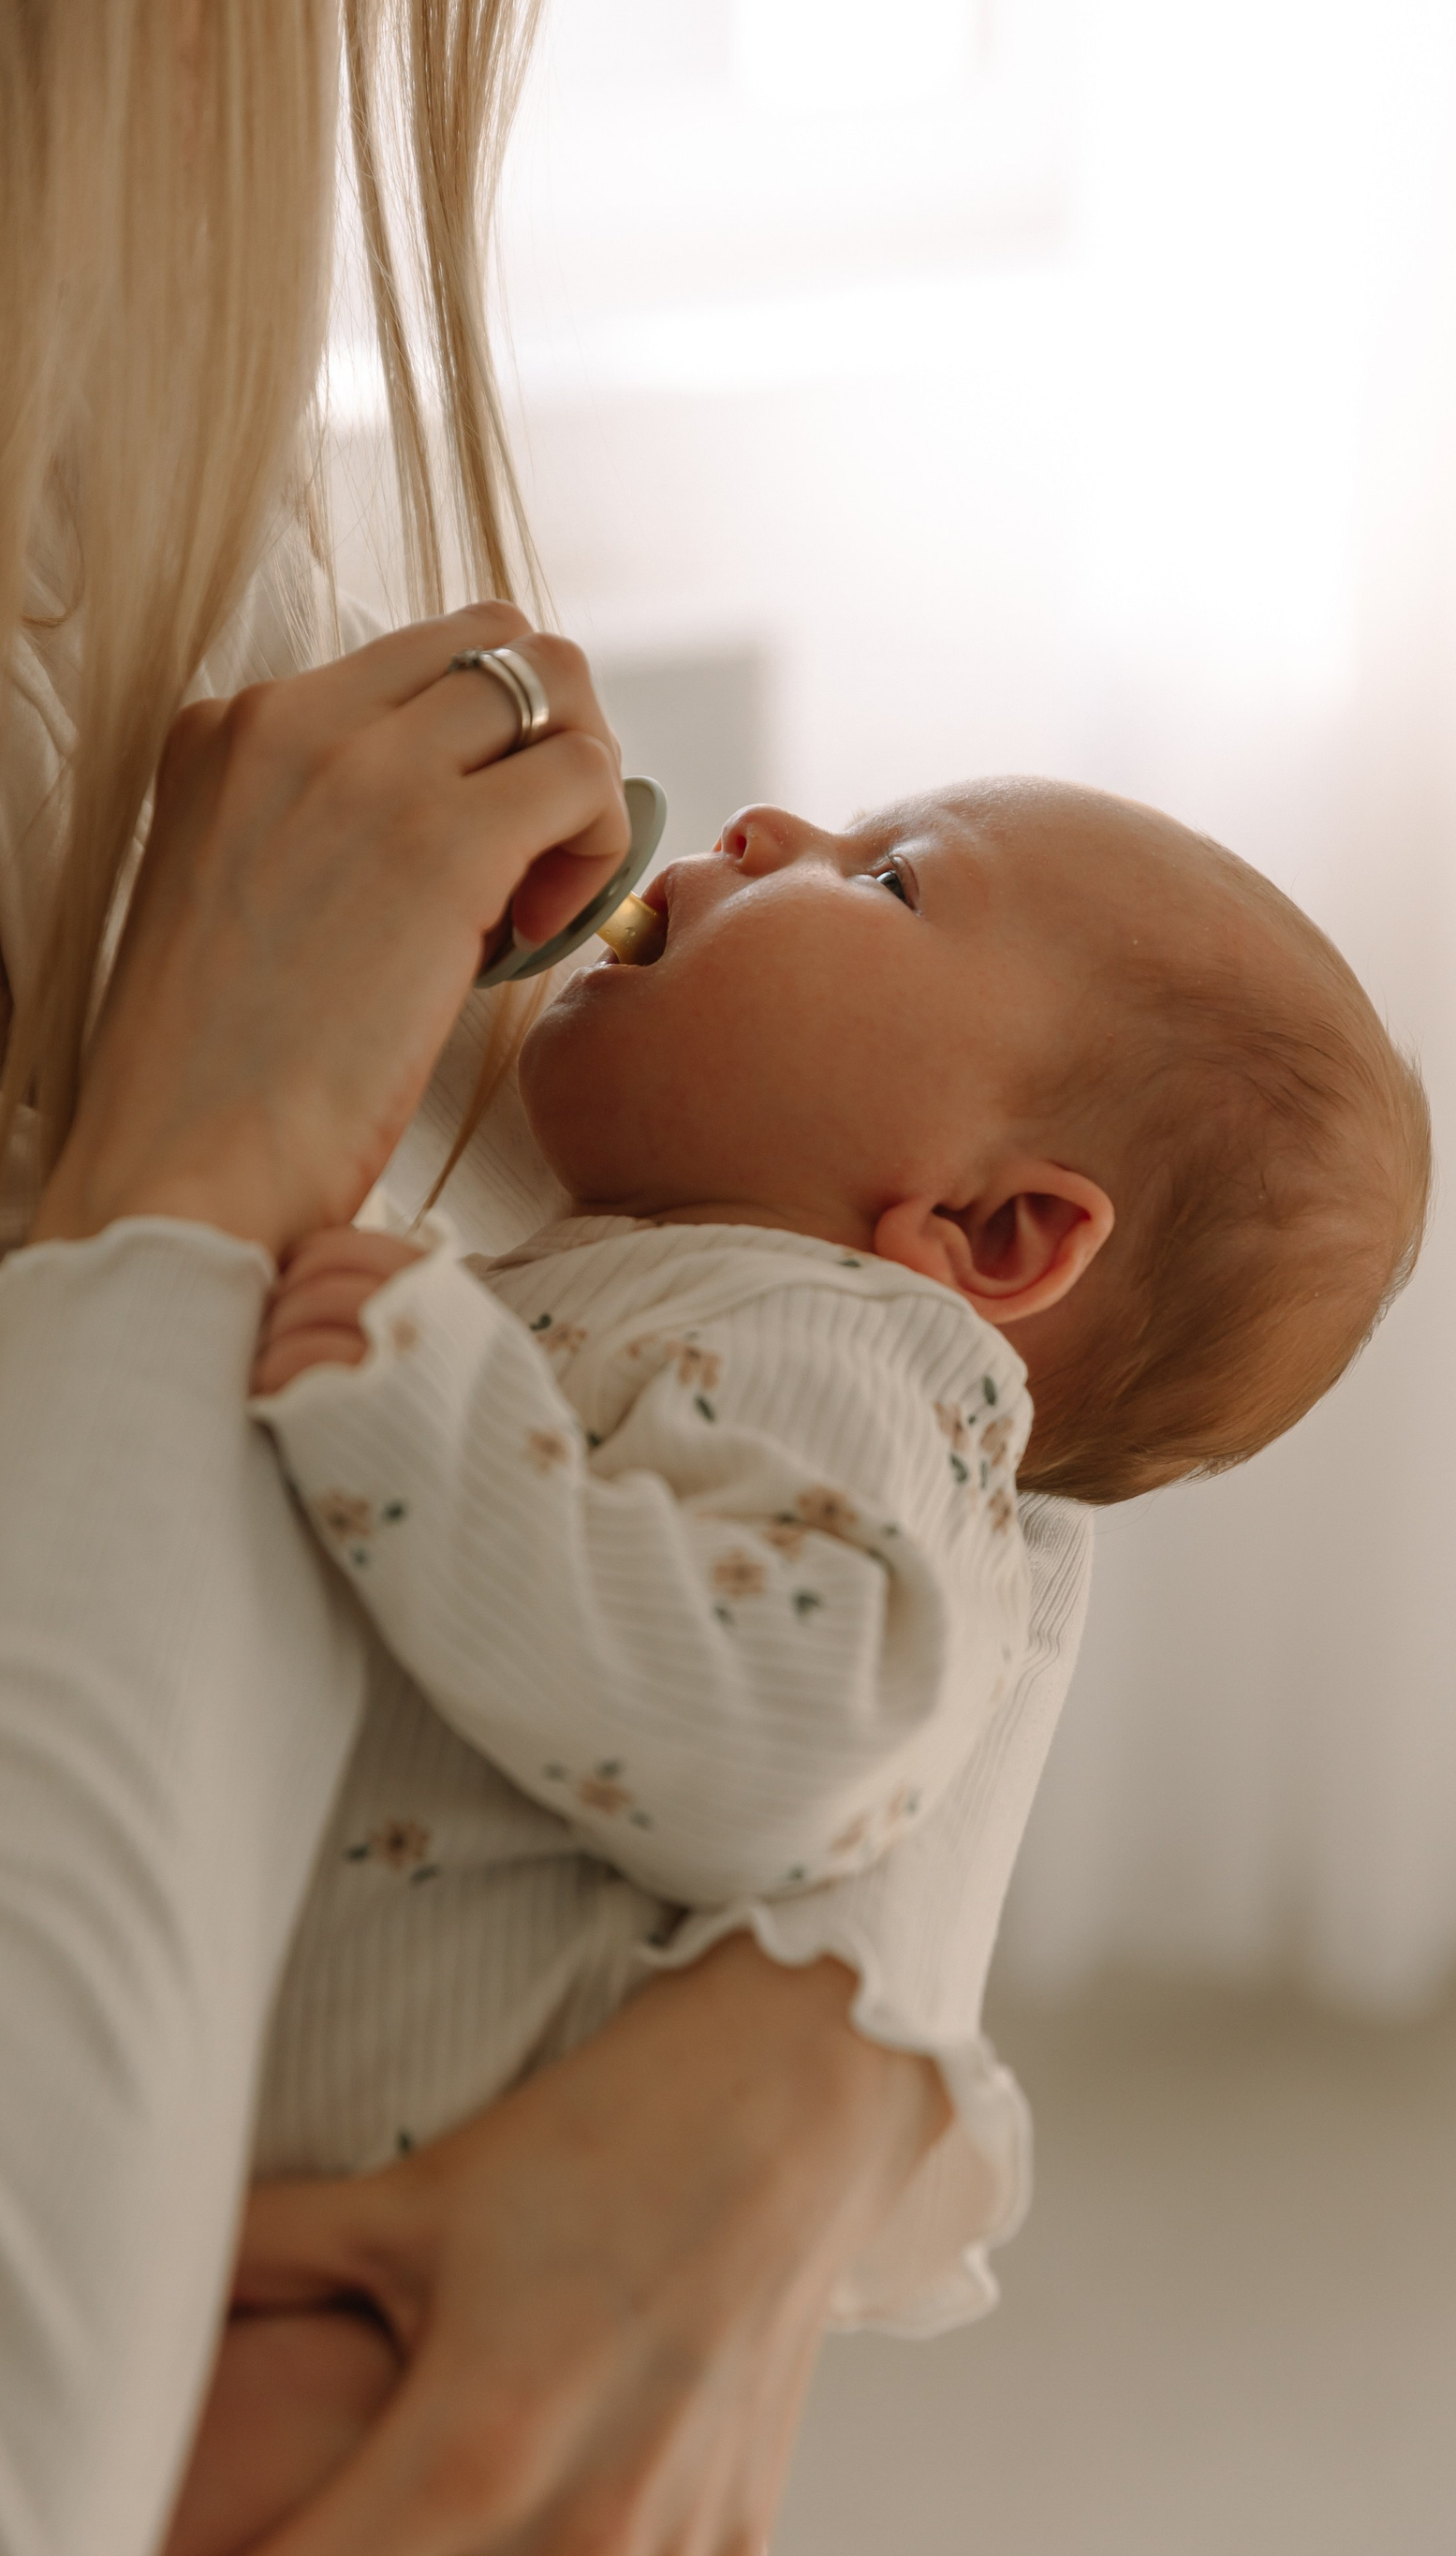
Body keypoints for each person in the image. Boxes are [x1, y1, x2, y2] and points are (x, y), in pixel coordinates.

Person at [0, 0, 1097, 2553]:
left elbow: (905, 1466)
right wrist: (182, 1216)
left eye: (891, 875)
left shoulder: (107, 535)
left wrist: (810, 2061)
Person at [210, 777, 1428, 2529]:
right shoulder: (679, 1280)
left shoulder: (842, 1353)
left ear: (994, 1234)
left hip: (416, 2284)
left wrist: (420, 1411)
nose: (773, 827)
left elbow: (784, 1729)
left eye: (893, 880)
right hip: (320, 2178)